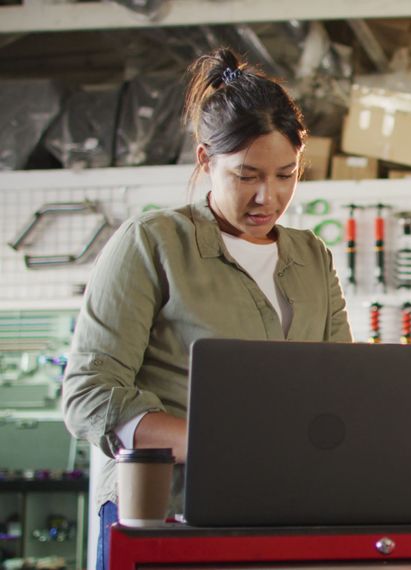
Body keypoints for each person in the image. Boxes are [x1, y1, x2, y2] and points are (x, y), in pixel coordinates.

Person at [61, 48, 351, 570]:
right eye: (246, 175)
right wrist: (214, 441)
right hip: (161, 519)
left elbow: (341, 385)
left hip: (281, 514)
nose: (269, 196)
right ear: (204, 160)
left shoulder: (312, 257)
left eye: (286, 174)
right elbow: (89, 395)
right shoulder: (152, 243)